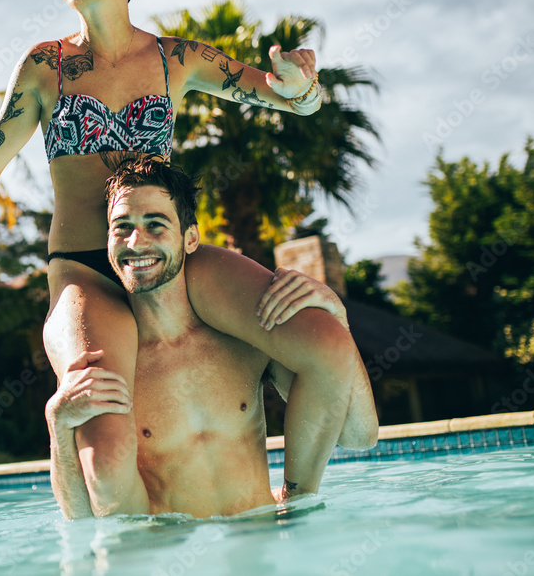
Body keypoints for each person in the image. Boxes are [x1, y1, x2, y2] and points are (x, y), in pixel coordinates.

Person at [0, 0, 355, 516]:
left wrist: (301, 86)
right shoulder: (45, 67)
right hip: (88, 270)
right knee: (101, 417)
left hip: (170, 257)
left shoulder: (177, 60)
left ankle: (299, 506)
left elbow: (292, 101)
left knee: (324, 343)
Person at [45, 158, 378, 519]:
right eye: (122, 227)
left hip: (264, 544)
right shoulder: (112, 369)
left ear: (190, 239)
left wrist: (337, 322)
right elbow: (83, 518)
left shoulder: (243, 346)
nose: (136, 242)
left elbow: (361, 435)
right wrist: (58, 425)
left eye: (155, 225)